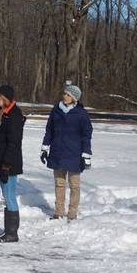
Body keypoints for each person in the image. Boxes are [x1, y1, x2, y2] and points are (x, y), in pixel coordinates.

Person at [41, 84, 93, 221]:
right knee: (59, 184)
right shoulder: (56, 110)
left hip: (74, 154)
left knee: (74, 185)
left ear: (75, 98)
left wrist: (86, 153)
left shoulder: (81, 114)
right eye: (64, 93)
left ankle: (72, 213)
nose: (65, 96)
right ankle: (58, 212)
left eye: (68, 95)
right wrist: (45, 148)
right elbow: (49, 131)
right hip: (57, 152)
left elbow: (87, 135)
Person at [0, 85, 25, 243]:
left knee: (10, 196)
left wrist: (5, 165)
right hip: (1, 162)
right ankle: (8, 231)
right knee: (7, 196)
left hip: (9, 164)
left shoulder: (14, 115)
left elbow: (13, 143)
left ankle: (12, 233)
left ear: (4, 98)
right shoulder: (3, 114)